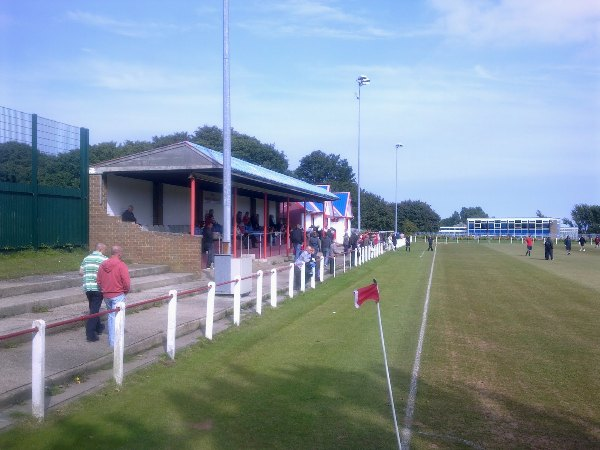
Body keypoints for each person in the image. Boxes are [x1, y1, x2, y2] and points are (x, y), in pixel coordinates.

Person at [97, 246, 131, 348]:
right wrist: (125, 291)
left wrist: (104, 289)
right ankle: (117, 343)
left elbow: (98, 281)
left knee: (111, 317)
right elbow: (126, 282)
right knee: (119, 318)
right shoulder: (121, 265)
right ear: (119, 253)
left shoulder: (102, 265)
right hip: (118, 294)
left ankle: (112, 342)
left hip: (106, 295)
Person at [79, 243, 108, 342]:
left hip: (87, 287)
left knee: (93, 307)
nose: (105, 252)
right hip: (97, 288)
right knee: (94, 311)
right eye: (104, 250)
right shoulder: (104, 260)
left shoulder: (86, 258)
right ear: (101, 249)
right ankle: (90, 334)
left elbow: (81, 272)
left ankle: (98, 327)